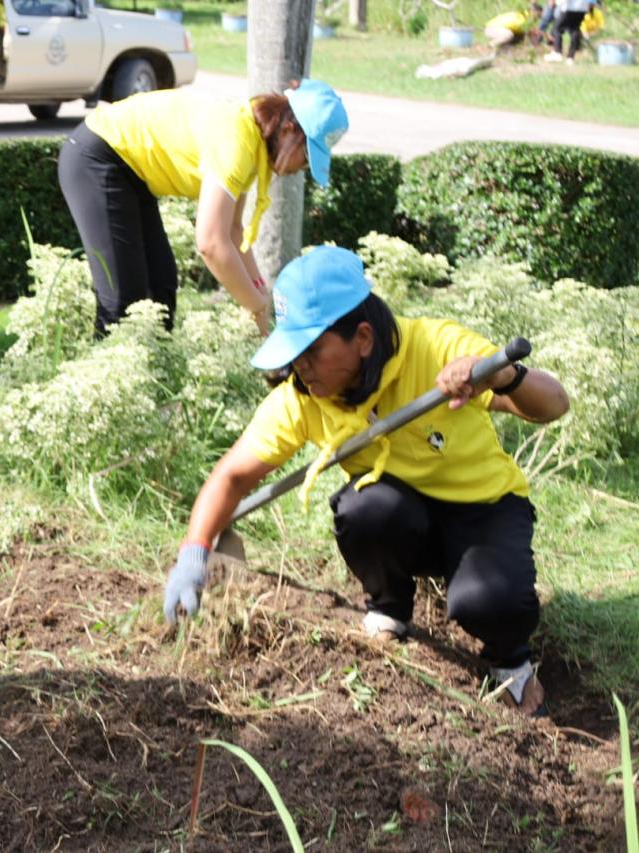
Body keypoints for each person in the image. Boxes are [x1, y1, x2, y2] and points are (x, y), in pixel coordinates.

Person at [163, 247, 570, 717]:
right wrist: (194, 553)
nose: (301, 369)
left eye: (312, 352)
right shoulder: (306, 395)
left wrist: (505, 376)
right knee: (363, 511)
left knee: (487, 602)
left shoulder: (435, 347)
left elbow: (553, 404)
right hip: (401, 516)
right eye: (294, 355)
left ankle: (511, 664)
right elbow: (232, 476)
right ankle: (390, 607)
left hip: (483, 510)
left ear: (362, 337)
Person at [58, 79, 348, 337]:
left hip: (130, 172)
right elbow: (210, 242)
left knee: (161, 288)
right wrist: (254, 303)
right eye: (307, 156)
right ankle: (110, 388)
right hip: (97, 157)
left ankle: (156, 384)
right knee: (123, 300)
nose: (303, 169)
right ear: (288, 130)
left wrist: (258, 294)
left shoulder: (253, 140)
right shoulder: (237, 142)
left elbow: (234, 232)